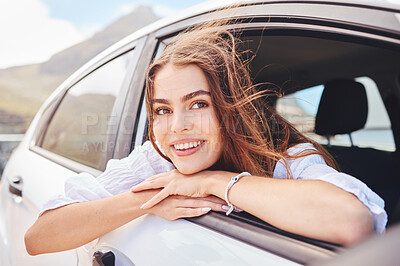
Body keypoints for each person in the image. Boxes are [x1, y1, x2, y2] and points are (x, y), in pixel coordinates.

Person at [25, 21, 386, 255]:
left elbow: (352, 221)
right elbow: (40, 236)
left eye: (197, 104)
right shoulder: (157, 158)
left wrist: (212, 181)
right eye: (162, 110)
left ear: (230, 109)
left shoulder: (287, 156)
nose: (177, 126)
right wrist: (149, 201)